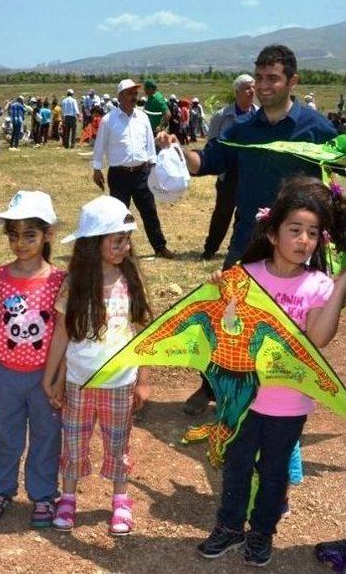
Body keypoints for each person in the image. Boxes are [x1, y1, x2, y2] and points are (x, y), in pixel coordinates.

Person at [159, 46, 338, 415]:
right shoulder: (242, 129)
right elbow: (206, 161)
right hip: (248, 242)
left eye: (272, 78)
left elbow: (339, 178)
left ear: (293, 81)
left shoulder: (318, 130)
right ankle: (211, 386)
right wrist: (177, 151)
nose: (262, 85)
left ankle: (284, 398)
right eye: (258, 77)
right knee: (227, 315)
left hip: (300, 245)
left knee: (293, 321)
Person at [197, 176, 346, 567]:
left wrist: (341, 281)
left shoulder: (317, 285)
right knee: (237, 465)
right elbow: (221, 324)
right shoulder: (246, 275)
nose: (303, 240)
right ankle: (229, 527)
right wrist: (216, 288)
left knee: (274, 471)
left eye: (312, 233)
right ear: (272, 231)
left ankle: (262, 534)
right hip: (243, 396)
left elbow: (318, 337)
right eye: (295, 230)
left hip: (289, 403)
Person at [42, 195, 151, 535]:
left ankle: (120, 500)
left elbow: (144, 333)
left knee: (117, 444)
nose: (125, 246)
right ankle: (69, 498)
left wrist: (144, 380)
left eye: (127, 239)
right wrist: (53, 377)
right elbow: (61, 334)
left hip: (120, 383)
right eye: (117, 240)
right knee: (74, 441)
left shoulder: (130, 282)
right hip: (78, 383)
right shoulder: (74, 284)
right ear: (93, 244)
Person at [0, 191, 65, 528]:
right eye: (13, 235)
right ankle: (1, 489)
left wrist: (59, 378)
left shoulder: (60, 281)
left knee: (46, 436)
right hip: (6, 374)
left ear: (48, 234)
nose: (20, 243)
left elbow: (65, 334)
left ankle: (43, 495)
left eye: (30, 235)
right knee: (7, 435)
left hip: (44, 377)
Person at [93, 79, 175, 259]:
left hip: (141, 173)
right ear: (120, 96)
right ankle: (116, 248)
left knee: (149, 211)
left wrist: (153, 166)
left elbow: (149, 145)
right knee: (118, 215)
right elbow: (100, 145)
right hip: (119, 175)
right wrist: (97, 168)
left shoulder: (143, 117)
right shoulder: (108, 120)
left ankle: (160, 247)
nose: (134, 97)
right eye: (130, 93)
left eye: (135, 94)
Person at [199, 74, 257, 263]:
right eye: (248, 88)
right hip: (228, 173)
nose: (252, 91)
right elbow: (212, 144)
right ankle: (210, 249)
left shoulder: (259, 115)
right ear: (237, 92)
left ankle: (238, 250)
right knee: (222, 212)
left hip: (250, 172)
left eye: (253, 87)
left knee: (246, 213)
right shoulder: (222, 116)